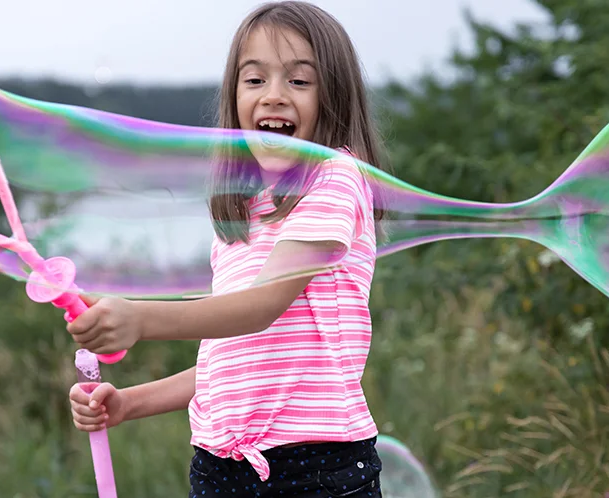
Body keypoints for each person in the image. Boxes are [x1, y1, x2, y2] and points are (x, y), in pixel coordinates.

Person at [67, 1, 390, 496]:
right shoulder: (244, 213)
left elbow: (261, 306)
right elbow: (230, 357)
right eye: (255, 79)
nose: (274, 95)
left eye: (299, 80)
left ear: (334, 97)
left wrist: (141, 318)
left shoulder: (334, 178)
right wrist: (130, 403)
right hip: (219, 466)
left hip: (314, 467)